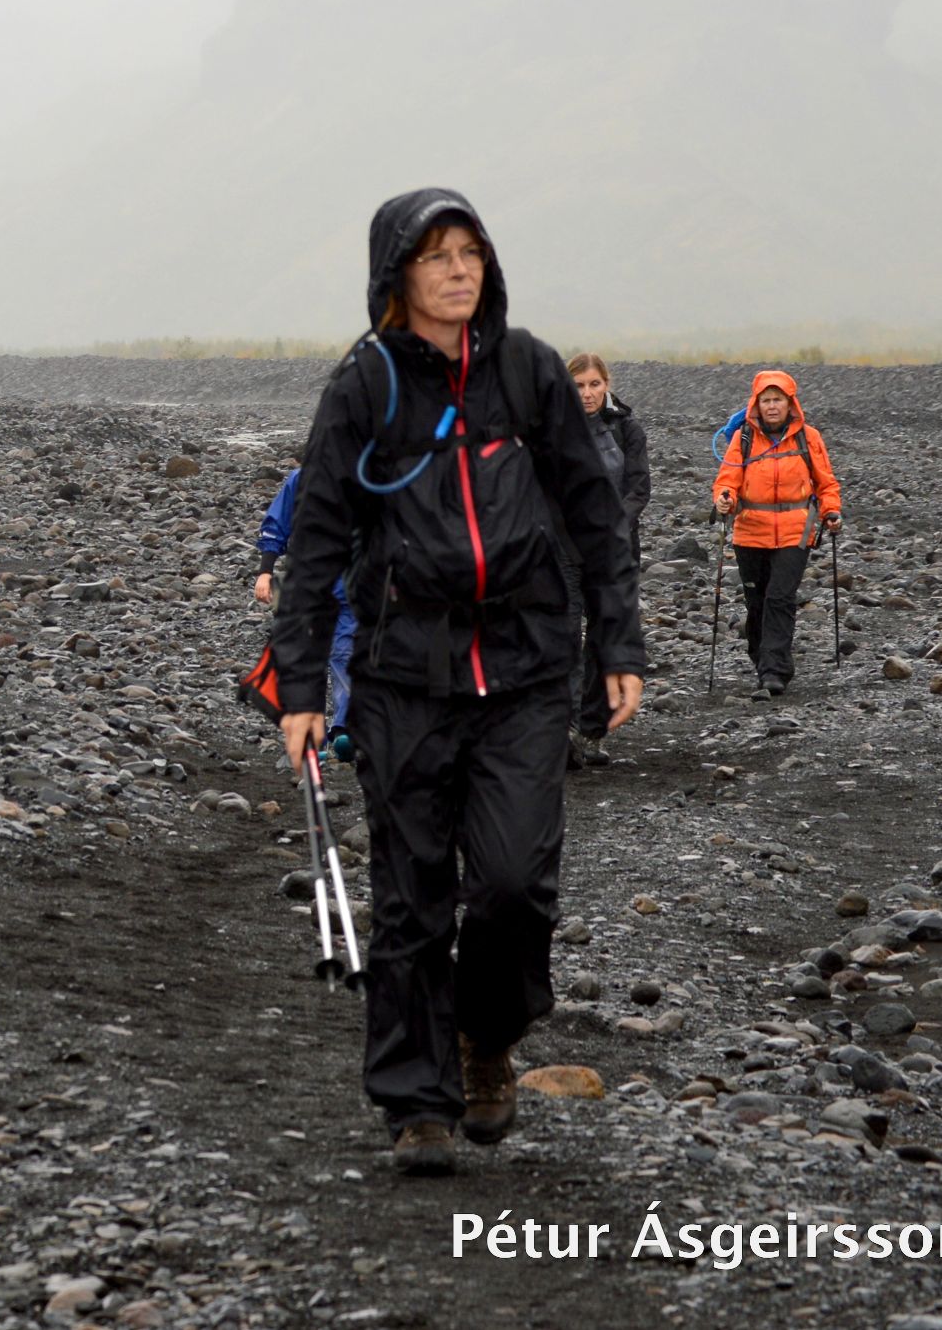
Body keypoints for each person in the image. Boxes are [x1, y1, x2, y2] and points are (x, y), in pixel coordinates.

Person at [268, 189, 646, 1178]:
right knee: (412, 896)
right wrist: (303, 686)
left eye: (469, 251)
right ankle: (415, 1102)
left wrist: (619, 644)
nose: (457, 270)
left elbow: (595, 514)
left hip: (526, 666)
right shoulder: (365, 386)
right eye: (435, 255)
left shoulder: (527, 371)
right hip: (405, 675)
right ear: (397, 274)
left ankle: (487, 1034)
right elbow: (317, 539)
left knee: (516, 884)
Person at [711, 369, 842, 696]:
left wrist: (831, 511)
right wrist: (724, 498)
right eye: (766, 400)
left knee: (780, 598)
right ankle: (761, 658)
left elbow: (826, 483)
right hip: (750, 533)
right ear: (756, 404)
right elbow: (727, 480)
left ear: (790, 403)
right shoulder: (743, 438)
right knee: (757, 601)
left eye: (778, 400)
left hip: (796, 531)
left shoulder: (808, 437)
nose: (772, 406)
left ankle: (774, 670)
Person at [561, 354, 651, 764]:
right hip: (564, 551)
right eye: (579, 385)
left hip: (613, 553)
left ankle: (590, 731)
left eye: (594, 384)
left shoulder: (627, 429)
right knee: (563, 638)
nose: (587, 393)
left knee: (602, 640)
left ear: (606, 385)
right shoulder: (553, 430)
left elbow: (639, 488)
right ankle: (563, 730)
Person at [253, 468, 354, 756]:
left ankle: (343, 730)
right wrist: (265, 571)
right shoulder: (303, 478)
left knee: (346, 654)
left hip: (352, 585)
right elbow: (278, 522)